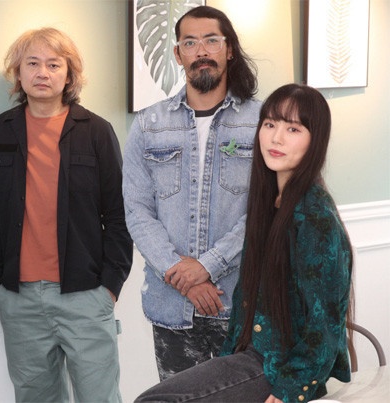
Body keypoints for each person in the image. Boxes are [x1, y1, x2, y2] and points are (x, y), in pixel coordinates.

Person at [135, 83, 353, 402]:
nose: (276, 138)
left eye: (293, 129)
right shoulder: (269, 203)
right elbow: (245, 301)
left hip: (278, 368)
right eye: (270, 124)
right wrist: (227, 357)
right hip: (250, 356)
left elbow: (326, 321)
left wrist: (291, 390)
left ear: (315, 140)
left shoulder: (314, 215)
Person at [0, 27, 133, 402]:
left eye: (53, 64)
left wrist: (109, 287)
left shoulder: (96, 132)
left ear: (69, 74)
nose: (42, 73)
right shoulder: (0, 130)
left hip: (85, 294)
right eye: (32, 63)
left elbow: (120, 214)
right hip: (19, 298)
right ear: (18, 73)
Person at [123, 5, 261, 380]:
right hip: (172, 308)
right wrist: (179, 272)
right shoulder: (148, 125)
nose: (201, 51)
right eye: (190, 42)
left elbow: (264, 211)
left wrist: (206, 266)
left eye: (211, 41)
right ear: (177, 54)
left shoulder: (262, 122)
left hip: (241, 306)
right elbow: (137, 211)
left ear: (229, 49)